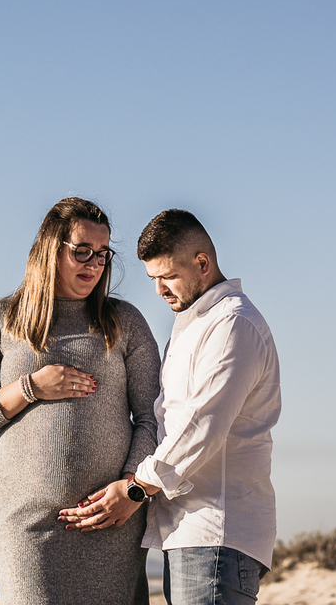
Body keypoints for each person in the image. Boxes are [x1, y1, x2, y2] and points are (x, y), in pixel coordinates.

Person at [59, 209, 282, 605]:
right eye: (153, 279)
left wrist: (134, 489)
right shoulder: (194, 324)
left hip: (217, 531)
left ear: (202, 263)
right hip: (189, 533)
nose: (160, 289)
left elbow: (201, 427)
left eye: (169, 276)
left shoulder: (233, 325)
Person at [0, 197, 162, 605]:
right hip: (28, 527)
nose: (94, 263)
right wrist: (30, 387)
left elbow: (154, 418)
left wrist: (130, 489)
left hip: (110, 520)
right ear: (51, 248)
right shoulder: (1, 319)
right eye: (82, 250)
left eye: (102, 254)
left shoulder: (124, 321)